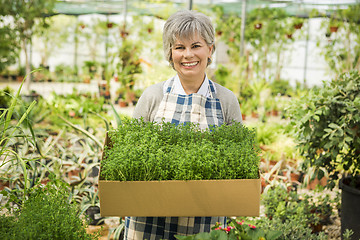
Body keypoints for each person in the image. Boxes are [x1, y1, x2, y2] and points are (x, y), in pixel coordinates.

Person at [124, 9, 242, 240]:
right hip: (149, 218)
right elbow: (130, 156)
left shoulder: (226, 100)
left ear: (210, 49)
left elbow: (238, 165)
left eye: (196, 46)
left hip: (204, 220)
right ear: (170, 54)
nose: (188, 55)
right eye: (179, 47)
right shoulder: (153, 96)